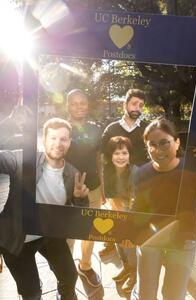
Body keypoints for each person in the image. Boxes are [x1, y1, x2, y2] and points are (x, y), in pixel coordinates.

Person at [0, 117, 89, 300]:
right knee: (31, 293)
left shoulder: (72, 173)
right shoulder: (24, 159)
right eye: (53, 138)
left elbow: (79, 214)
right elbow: (3, 159)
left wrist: (80, 199)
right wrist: (8, 123)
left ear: (69, 142)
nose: (58, 144)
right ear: (44, 140)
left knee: (70, 277)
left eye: (63, 139)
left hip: (49, 234)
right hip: (18, 238)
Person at [131, 118, 196, 300]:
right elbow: (137, 209)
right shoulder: (141, 173)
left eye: (164, 143)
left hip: (183, 241)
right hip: (150, 239)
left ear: (177, 143)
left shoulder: (194, 169)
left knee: (174, 295)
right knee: (146, 293)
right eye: (151, 145)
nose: (157, 150)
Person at [99, 88, 148, 257]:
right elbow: (102, 157)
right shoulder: (111, 129)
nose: (138, 108)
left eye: (141, 105)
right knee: (117, 216)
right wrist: (102, 188)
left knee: (134, 218)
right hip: (116, 182)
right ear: (125, 104)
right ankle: (113, 243)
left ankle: (132, 255)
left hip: (138, 182)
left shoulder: (146, 128)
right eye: (134, 103)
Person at [65, 89, 102, 287]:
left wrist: (102, 189)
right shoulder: (63, 129)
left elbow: (99, 159)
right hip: (68, 190)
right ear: (68, 106)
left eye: (83, 103)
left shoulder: (96, 129)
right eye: (74, 103)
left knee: (90, 231)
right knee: (69, 234)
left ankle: (85, 265)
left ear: (87, 106)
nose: (79, 107)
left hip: (94, 189)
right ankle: (67, 274)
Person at [103, 136, 137, 293]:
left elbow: (136, 201)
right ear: (110, 155)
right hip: (115, 212)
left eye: (124, 153)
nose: (121, 157)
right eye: (117, 153)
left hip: (131, 215)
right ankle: (126, 268)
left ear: (129, 154)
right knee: (118, 243)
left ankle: (134, 274)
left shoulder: (135, 172)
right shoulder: (108, 170)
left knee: (129, 246)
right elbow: (110, 196)